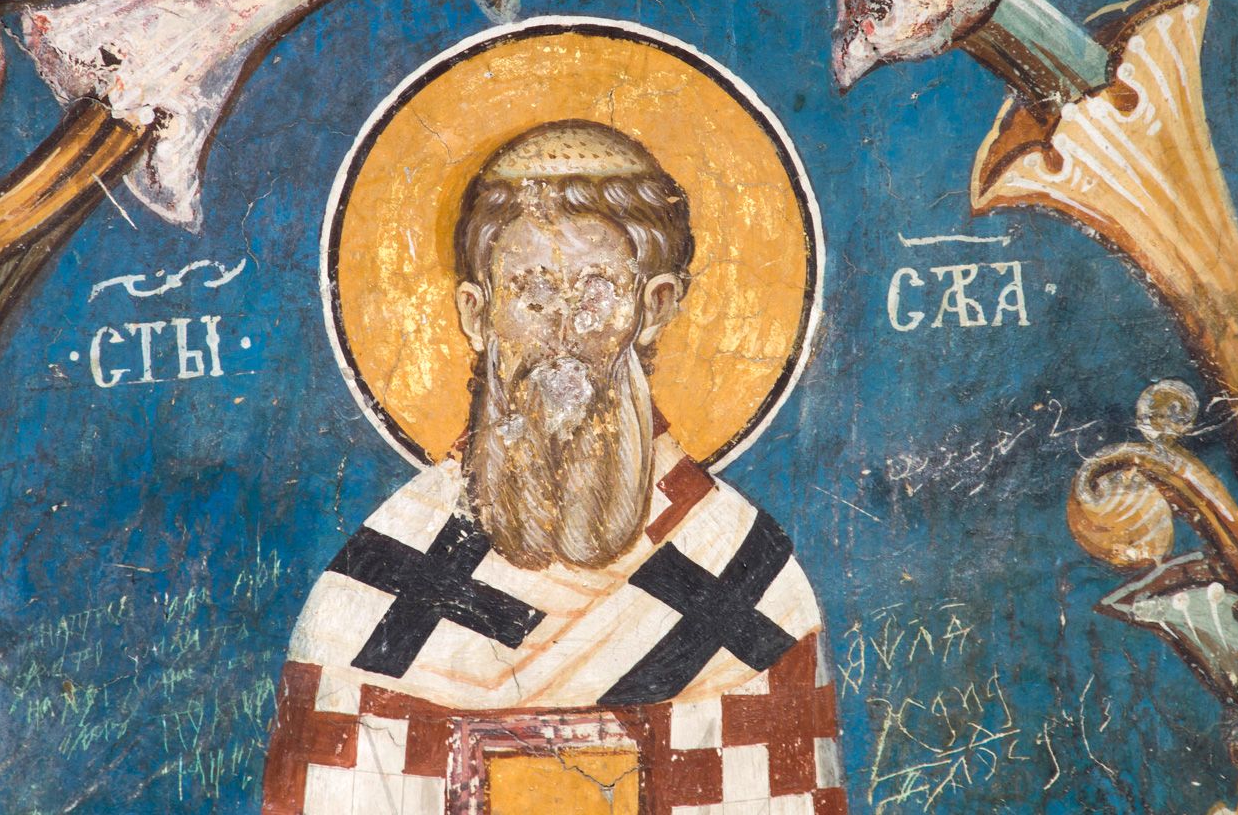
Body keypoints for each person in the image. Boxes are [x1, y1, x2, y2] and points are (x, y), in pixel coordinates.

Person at [265, 120, 846, 814]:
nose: (563, 330)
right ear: (477, 314)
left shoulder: (746, 584)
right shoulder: (369, 599)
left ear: (654, 307)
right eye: (531, 292)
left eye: (596, 289)